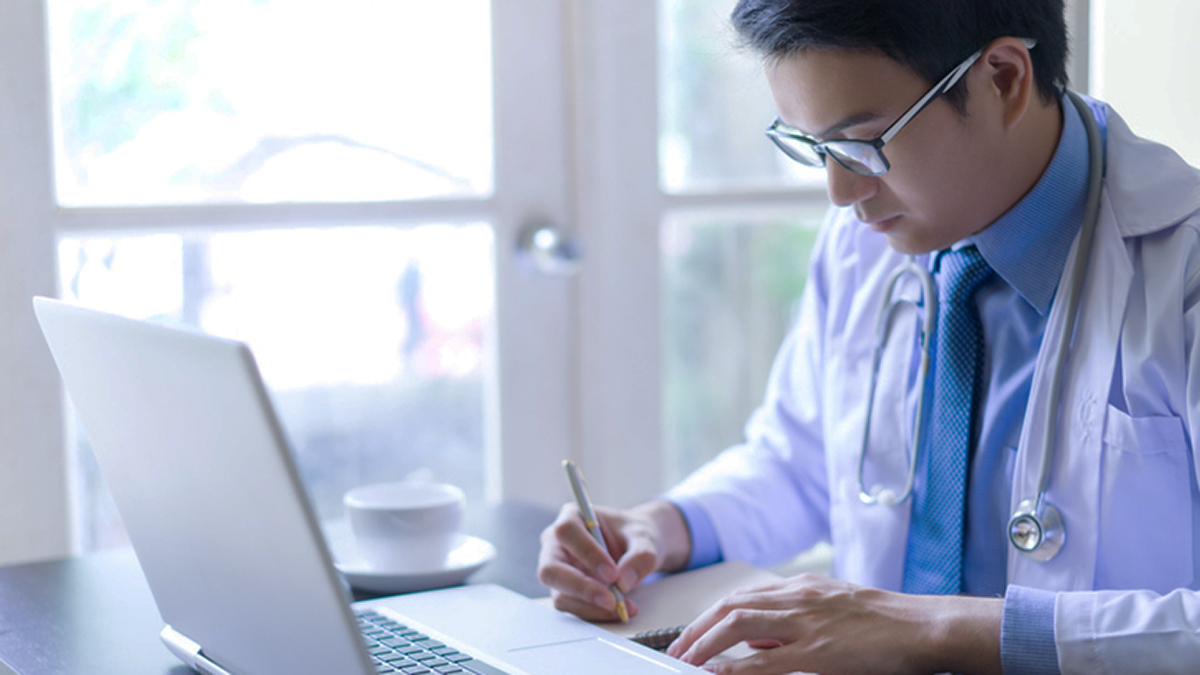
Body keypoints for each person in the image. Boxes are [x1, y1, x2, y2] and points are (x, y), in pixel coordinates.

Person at [537, 0, 1200, 673]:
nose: (839, 190)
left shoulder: (1185, 272)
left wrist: (939, 629)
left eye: (862, 142)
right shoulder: (869, 237)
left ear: (1002, 78)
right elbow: (801, 464)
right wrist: (663, 528)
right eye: (815, 146)